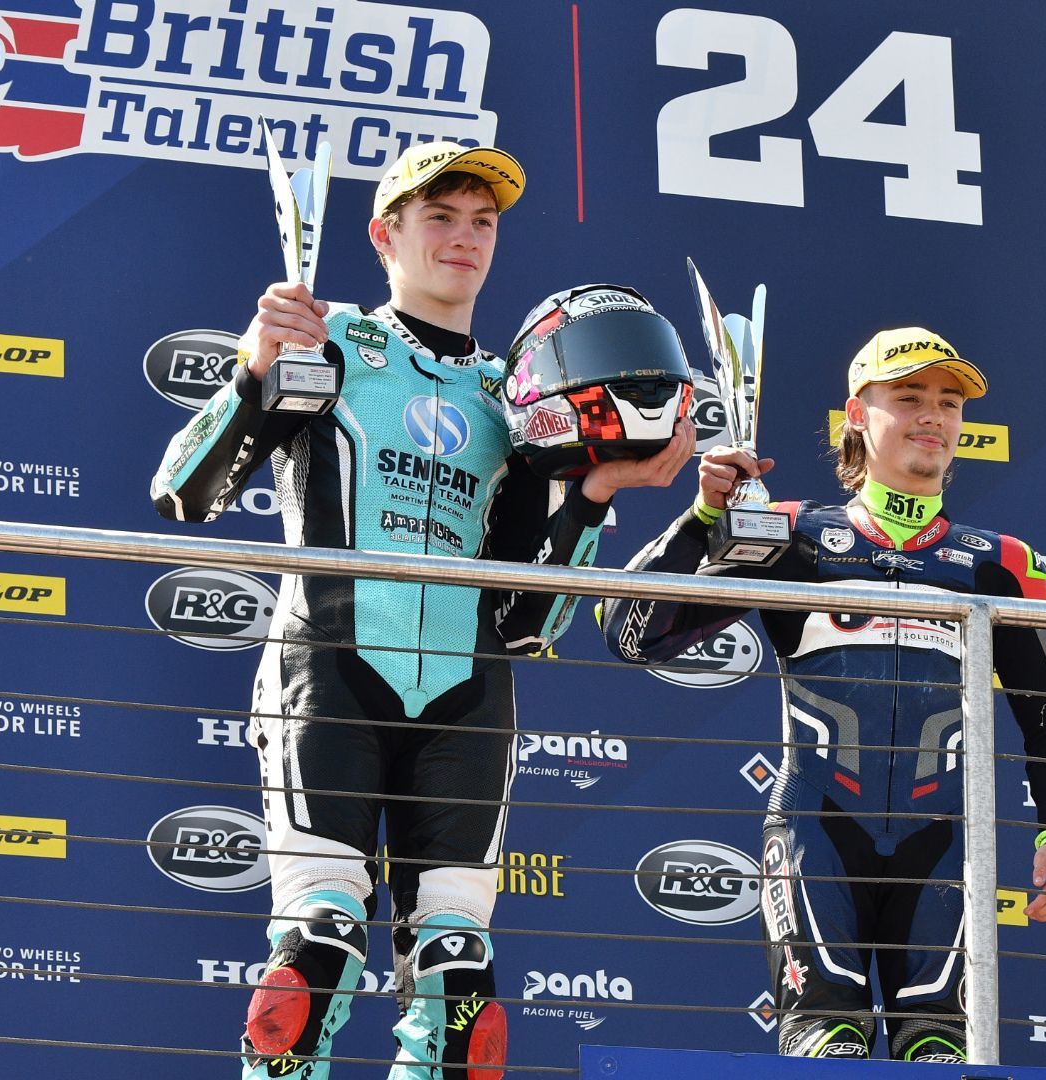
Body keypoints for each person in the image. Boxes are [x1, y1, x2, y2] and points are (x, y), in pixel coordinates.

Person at [151, 142, 694, 1080]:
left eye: (482, 222)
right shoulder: (330, 339)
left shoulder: (516, 395)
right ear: (384, 235)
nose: (465, 238)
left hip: (467, 698)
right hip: (328, 674)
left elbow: (528, 622)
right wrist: (254, 369)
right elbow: (182, 492)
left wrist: (595, 494)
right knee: (315, 955)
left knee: (459, 984)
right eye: (440, 217)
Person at [602, 327, 1046, 1062]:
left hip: (946, 843)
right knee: (825, 1042)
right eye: (909, 397)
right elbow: (632, 632)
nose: (933, 416)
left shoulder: (1001, 565)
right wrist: (705, 519)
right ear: (858, 416)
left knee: (940, 1050)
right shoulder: (791, 535)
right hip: (817, 831)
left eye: (949, 402)